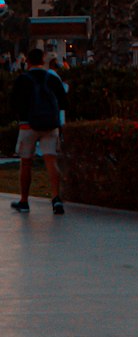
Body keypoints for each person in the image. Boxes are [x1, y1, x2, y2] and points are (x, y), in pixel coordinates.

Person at [10, 47, 68, 215]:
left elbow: (13, 103)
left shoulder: (23, 79)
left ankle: (24, 201)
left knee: (26, 162)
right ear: (43, 61)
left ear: (27, 62)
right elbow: (64, 102)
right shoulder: (51, 78)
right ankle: (56, 199)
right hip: (50, 125)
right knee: (51, 161)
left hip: (28, 125)